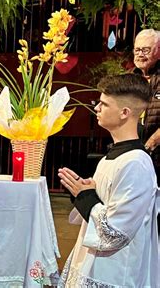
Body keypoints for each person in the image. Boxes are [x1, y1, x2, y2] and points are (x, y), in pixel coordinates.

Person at [58, 73, 158, 286]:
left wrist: (85, 197)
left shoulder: (136, 163)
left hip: (117, 271)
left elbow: (116, 233)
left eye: (103, 104)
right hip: (93, 260)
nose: (96, 108)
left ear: (124, 112)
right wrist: (84, 191)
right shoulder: (109, 158)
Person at [133, 29, 160, 182]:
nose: (140, 54)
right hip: (135, 155)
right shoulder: (130, 77)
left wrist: (150, 144)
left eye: (146, 50)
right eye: (137, 49)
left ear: (158, 51)